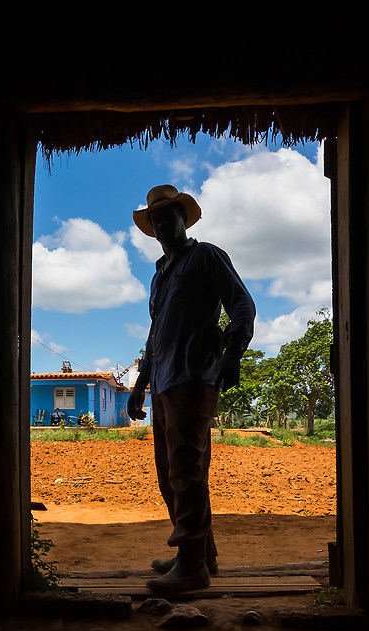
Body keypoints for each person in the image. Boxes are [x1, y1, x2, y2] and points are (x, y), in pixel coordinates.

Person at [127, 184, 255, 595]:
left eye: (170, 215)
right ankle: (201, 553)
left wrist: (232, 353)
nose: (163, 223)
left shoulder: (206, 256)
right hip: (163, 383)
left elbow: (241, 305)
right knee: (172, 474)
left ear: (185, 218)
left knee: (186, 471)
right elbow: (154, 336)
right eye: (156, 219)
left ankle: (193, 565)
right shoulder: (160, 275)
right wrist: (139, 385)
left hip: (193, 379)